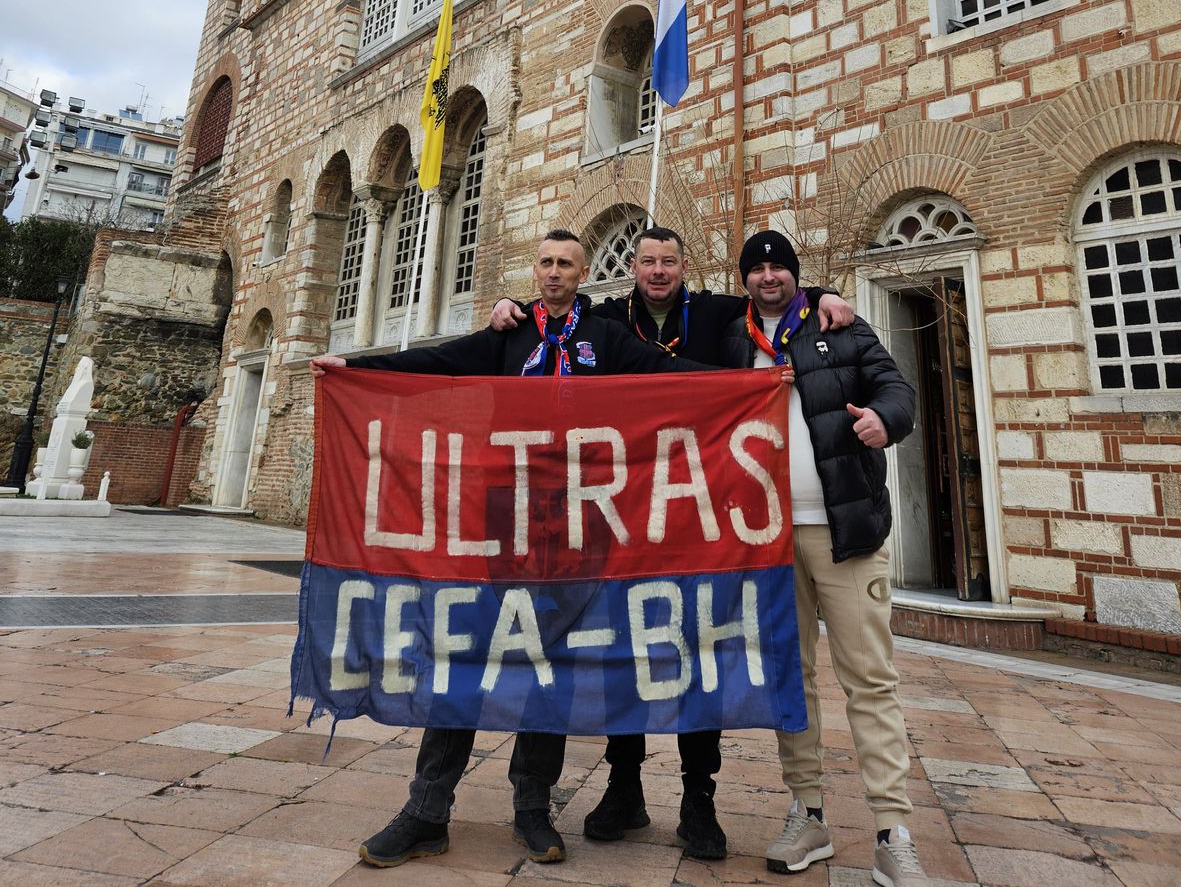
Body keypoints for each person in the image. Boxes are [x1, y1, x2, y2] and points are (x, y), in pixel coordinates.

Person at [312, 228, 733, 871]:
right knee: (465, 655)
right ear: (534, 271)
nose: (556, 271)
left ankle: (532, 808)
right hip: (499, 521)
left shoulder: (608, 339)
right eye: (546, 262)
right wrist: (355, 369)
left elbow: (670, 375)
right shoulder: (509, 336)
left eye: (567, 263)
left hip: (576, 525)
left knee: (548, 664)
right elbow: (439, 362)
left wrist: (755, 384)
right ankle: (427, 810)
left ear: (585, 271)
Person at [490, 224, 854, 861]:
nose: (658, 272)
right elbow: (550, 309)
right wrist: (512, 308)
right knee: (628, 648)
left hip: (699, 512)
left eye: (669, 262)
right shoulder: (606, 318)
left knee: (698, 649)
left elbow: (770, 289)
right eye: (648, 262)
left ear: (686, 267)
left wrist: (823, 293)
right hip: (626, 513)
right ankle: (625, 788)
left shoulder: (713, 311)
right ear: (632, 267)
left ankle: (698, 801)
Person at [720, 230, 927, 886]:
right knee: (793, 680)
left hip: (845, 530)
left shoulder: (841, 325)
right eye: (758, 268)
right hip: (768, 538)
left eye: (780, 265)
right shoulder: (730, 339)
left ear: (795, 275)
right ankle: (807, 812)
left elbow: (897, 389)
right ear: (746, 278)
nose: (770, 276)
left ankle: (894, 833)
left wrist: (884, 422)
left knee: (869, 681)